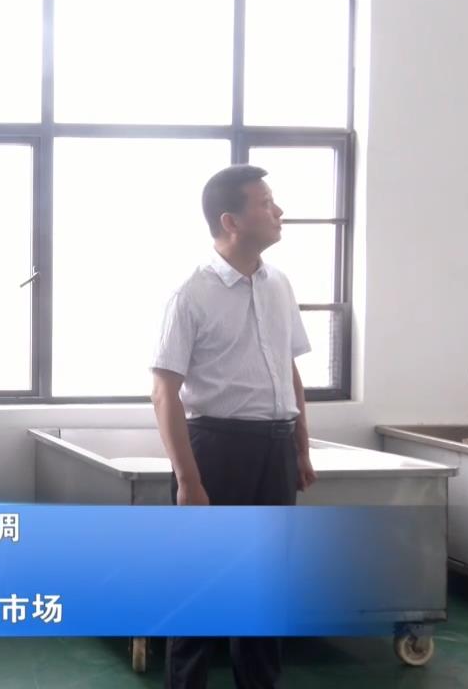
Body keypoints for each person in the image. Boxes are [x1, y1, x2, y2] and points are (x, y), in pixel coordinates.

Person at [151, 164, 318, 689]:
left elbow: (289, 370)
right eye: (265, 203)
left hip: (274, 450)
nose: (278, 211)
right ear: (231, 221)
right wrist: (188, 480)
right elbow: (164, 392)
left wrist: (301, 448)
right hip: (218, 450)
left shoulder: (279, 284)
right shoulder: (191, 293)